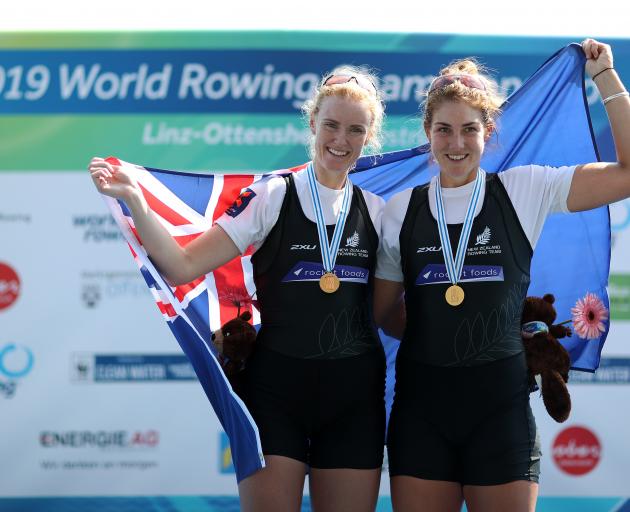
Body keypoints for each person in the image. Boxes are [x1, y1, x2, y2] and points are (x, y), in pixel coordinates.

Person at [89, 66, 387, 512]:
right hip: (276, 397)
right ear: (312, 122)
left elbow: (394, 307)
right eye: (331, 124)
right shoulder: (271, 196)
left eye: (355, 130)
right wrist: (135, 199)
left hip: (354, 401)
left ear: (369, 137)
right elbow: (181, 264)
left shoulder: (381, 213)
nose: (340, 139)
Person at [373, 38, 630, 512]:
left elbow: (627, 172)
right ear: (427, 131)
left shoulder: (524, 189)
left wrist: (606, 78)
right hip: (421, 414)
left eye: (468, 130)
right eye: (444, 129)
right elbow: (382, 312)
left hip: (501, 412)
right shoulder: (398, 211)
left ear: (488, 131)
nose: (455, 143)